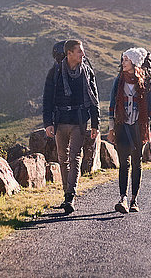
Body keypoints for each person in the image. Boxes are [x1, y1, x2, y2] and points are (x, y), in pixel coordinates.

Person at [43, 39, 100, 214]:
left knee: (75, 157)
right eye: (79, 51)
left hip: (79, 120)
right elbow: (48, 98)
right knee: (62, 158)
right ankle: (67, 193)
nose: (83, 54)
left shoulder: (87, 72)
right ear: (69, 54)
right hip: (60, 121)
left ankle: (70, 196)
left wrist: (95, 124)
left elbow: (94, 98)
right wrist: (48, 123)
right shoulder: (56, 72)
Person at [107, 47, 151, 213]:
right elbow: (112, 106)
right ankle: (122, 197)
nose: (123, 63)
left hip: (139, 127)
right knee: (124, 163)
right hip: (122, 125)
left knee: (137, 163)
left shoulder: (146, 82)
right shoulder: (119, 80)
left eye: (126, 60)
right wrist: (111, 128)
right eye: (123, 60)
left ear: (135, 63)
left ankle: (134, 200)